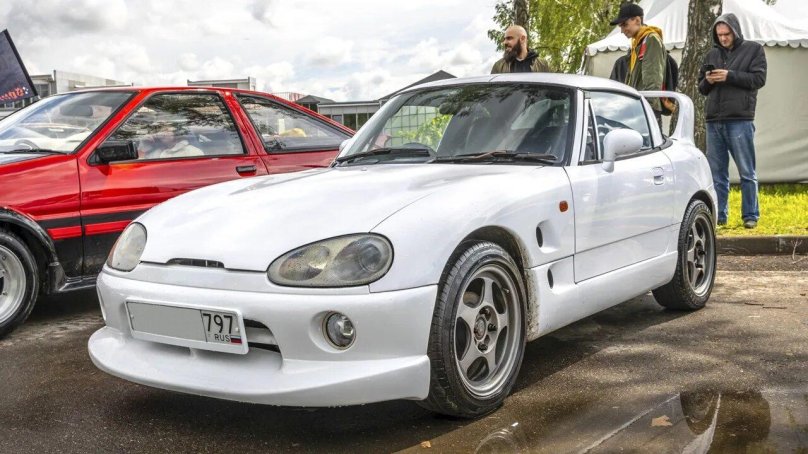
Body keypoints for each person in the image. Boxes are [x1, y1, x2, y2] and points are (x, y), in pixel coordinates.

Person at [699, 13, 767, 229]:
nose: (723, 38)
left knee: (747, 171)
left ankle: (750, 215)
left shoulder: (754, 50)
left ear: (735, 31)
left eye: (727, 34)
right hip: (714, 120)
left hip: (740, 119)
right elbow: (701, 88)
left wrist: (729, 75)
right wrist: (708, 80)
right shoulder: (711, 54)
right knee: (717, 174)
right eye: (719, 35)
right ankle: (720, 215)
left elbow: (759, 79)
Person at [610, 3, 665, 121]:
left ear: (637, 20)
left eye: (625, 25)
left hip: (646, 109)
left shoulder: (651, 39)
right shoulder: (637, 42)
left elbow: (653, 78)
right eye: (621, 26)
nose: (622, 30)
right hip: (637, 107)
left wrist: (648, 110)